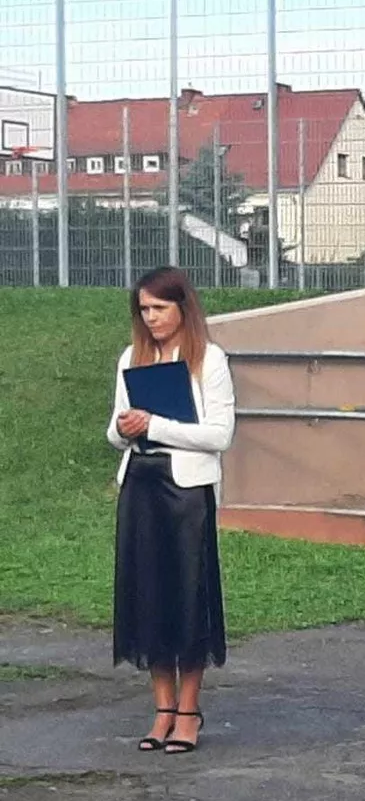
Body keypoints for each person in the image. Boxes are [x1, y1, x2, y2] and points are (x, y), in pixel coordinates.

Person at [107, 266, 235, 754]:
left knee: (187, 595)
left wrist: (155, 424)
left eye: (159, 308)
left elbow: (220, 434)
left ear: (183, 307)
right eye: (144, 309)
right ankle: (162, 709)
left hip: (186, 491)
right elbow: (115, 431)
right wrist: (126, 428)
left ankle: (188, 710)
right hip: (140, 483)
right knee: (149, 594)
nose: (151, 317)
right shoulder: (132, 357)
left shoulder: (209, 359)